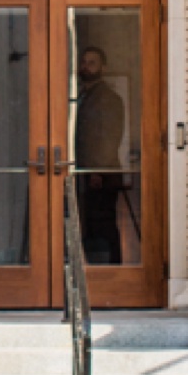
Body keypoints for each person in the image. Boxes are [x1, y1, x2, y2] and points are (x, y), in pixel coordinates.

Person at [73, 45, 128, 266]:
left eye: (92, 63)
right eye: (84, 62)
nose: (86, 67)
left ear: (103, 67)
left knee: (103, 225)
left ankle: (112, 272)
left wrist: (97, 171)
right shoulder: (84, 95)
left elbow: (109, 137)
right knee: (90, 224)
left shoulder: (108, 98)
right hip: (87, 174)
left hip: (100, 176)